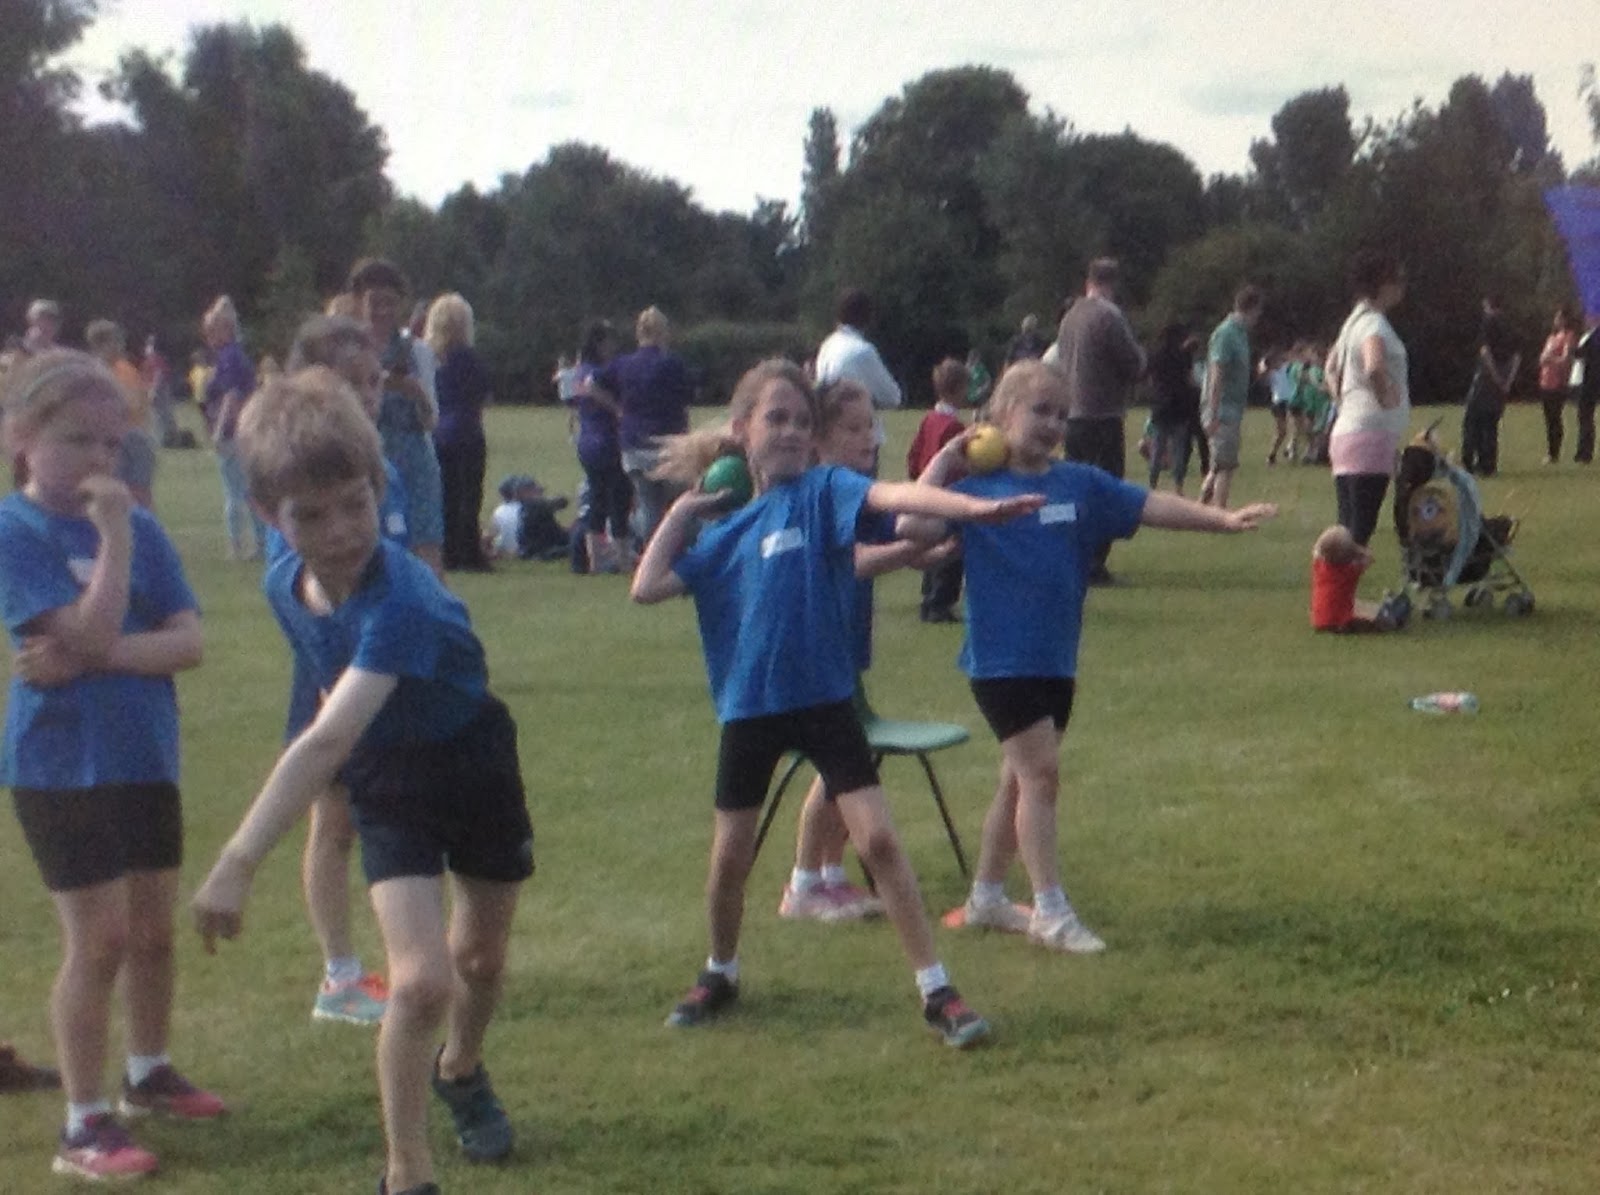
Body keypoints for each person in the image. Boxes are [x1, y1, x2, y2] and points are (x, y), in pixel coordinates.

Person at [631, 358, 1045, 1046]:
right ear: (742, 429)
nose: (792, 432)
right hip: (750, 710)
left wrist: (970, 505)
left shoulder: (824, 490)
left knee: (879, 840)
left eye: (802, 421)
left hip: (825, 702)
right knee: (730, 858)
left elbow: (893, 498)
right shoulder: (727, 533)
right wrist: (682, 512)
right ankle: (719, 970)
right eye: (777, 419)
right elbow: (646, 586)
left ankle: (937, 989)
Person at [192, 368, 534, 1195]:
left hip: (474, 760)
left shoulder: (404, 598)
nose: (342, 531)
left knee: (480, 959)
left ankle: (461, 1068)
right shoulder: (284, 583)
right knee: (420, 981)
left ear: (379, 485)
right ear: (269, 513)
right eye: (311, 515)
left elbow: (325, 739)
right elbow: (332, 701)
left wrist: (237, 860)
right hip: (389, 773)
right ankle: (406, 1172)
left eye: (355, 503)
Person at [909, 361, 1276, 953]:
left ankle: (987, 897)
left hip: (1056, 660)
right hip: (1001, 664)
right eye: (1040, 411)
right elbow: (912, 521)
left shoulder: (1078, 483)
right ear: (1002, 415)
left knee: (1018, 781)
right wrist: (946, 460)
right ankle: (1051, 911)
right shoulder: (974, 492)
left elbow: (1150, 505)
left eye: (1062, 414)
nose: (1053, 424)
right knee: (1040, 775)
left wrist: (1222, 519)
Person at [0, 350, 223, 1182]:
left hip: (143, 752)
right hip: (61, 763)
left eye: (110, 443)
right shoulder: (16, 530)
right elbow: (90, 628)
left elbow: (188, 641)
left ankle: (149, 1071)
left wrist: (97, 654)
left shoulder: (143, 527)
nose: (98, 459)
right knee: (100, 940)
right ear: (23, 439)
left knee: (154, 934)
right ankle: (83, 1123)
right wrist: (117, 536)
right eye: (76, 440)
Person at [280, 314, 419, 1027]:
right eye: (350, 382)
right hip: (337, 679)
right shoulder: (302, 489)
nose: (367, 395)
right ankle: (339, 972)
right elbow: (304, 593)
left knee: (392, 819)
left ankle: (411, 956)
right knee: (334, 822)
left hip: (389, 670)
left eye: (373, 381)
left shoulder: (381, 468)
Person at [778, 378, 934, 922]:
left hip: (843, 650)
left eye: (871, 425)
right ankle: (803, 884)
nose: (869, 437)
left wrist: (932, 541)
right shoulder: (822, 493)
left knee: (847, 768)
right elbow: (860, 561)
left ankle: (829, 874)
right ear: (818, 439)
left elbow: (901, 538)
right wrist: (913, 547)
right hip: (815, 654)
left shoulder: (858, 491)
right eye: (853, 428)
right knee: (838, 768)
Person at [1052, 258, 1147, 583]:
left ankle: (1072, 553)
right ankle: (1094, 562)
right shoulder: (1109, 316)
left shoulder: (1069, 317)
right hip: (1102, 414)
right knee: (1106, 489)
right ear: (1112, 284)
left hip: (1071, 416)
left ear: (1087, 281)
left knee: (1072, 489)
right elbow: (1133, 363)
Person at [349, 257, 445, 575]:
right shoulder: (347, 353)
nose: (383, 311)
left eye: (390, 303)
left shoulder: (416, 351)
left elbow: (431, 421)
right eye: (374, 302)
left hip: (414, 460)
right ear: (358, 303)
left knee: (426, 550)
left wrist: (415, 392)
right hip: (367, 459)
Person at [1325, 251, 1411, 546]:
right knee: (1359, 535)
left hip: (1346, 431)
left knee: (1347, 531)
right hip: (1371, 435)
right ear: (1383, 284)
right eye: (1398, 281)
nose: (1402, 288)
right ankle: (1341, 579)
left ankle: (1334, 579)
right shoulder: (1374, 324)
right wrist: (1386, 396)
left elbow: (1330, 368)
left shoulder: (1351, 324)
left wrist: (1343, 401)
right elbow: (1374, 365)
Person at [591, 306, 693, 551]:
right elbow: (687, 396)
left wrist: (617, 408)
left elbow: (591, 383)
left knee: (648, 505)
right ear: (663, 332)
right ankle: (679, 555)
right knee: (678, 505)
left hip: (634, 443)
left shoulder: (623, 364)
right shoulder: (671, 363)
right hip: (668, 444)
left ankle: (651, 555)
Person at [427, 293, 494, 572]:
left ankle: (448, 550)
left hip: (438, 431)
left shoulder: (430, 357)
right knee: (469, 496)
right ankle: (469, 552)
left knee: (446, 495)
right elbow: (484, 395)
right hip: (467, 430)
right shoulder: (469, 358)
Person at [201, 296, 265, 559]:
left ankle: (237, 545)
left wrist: (219, 429)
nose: (208, 338)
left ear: (225, 329)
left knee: (235, 492)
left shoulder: (228, 357)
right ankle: (259, 542)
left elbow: (231, 395)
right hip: (244, 428)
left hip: (233, 432)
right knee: (248, 490)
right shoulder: (235, 355)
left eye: (211, 331)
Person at [906, 358, 969, 623]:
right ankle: (940, 603)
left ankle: (928, 598)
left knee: (930, 545)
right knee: (951, 549)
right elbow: (958, 465)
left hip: (927, 492)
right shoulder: (954, 427)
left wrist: (917, 477)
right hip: (947, 495)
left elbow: (914, 454)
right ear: (959, 389)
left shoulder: (929, 419)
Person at [814, 288, 904, 469]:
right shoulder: (863, 351)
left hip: (830, 436)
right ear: (868, 317)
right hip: (860, 437)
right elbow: (893, 397)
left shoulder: (827, 346)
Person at [571, 321, 630, 573]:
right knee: (619, 500)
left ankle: (594, 560)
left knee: (596, 500)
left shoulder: (579, 371)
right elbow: (594, 389)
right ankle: (623, 560)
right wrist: (618, 409)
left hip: (586, 442)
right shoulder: (599, 372)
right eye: (609, 341)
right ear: (598, 343)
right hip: (607, 441)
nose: (613, 346)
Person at [1200, 285, 1264, 510]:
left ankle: (1201, 506)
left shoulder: (1241, 335)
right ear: (1251, 308)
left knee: (1218, 464)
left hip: (1233, 409)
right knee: (1226, 466)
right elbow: (1217, 374)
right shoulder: (1226, 333)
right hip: (1222, 410)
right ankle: (1219, 512)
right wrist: (1213, 412)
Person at [85, 320, 157, 508]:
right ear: (100, 345)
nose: (120, 346)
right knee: (115, 490)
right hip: (111, 440)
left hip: (136, 436)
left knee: (142, 491)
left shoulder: (126, 369)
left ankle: (145, 523)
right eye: (115, 341)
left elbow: (140, 402)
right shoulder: (92, 373)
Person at [1460, 294, 1520, 477]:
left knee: (1472, 420)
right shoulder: (1510, 325)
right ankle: (1488, 465)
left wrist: (1494, 375)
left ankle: (1468, 462)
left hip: (1487, 377)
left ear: (1488, 305)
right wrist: (1507, 381)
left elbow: (1485, 351)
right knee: (1491, 423)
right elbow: (1517, 356)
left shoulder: (1489, 321)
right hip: (1505, 376)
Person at [1310, 525, 1404, 633]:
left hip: (1319, 617)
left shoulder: (1318, 566)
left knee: (1357, 604)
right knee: (1383, 618)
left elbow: (1316, 552)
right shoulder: (1349, 571)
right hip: (1339, 620)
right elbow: (1369, 558)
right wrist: (1357, 549)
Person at [1145, 323, 1199, 495]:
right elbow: (1190, 379)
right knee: (1178, 450)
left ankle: (1152, 484)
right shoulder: (1184, 356)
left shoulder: (1155, 355)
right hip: (1180, 406)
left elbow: (1149, 379)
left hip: (1160, 406)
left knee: (1157, 448)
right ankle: (1178, 487)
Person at [1537, 308, 1577, 465]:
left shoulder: (1568, 337)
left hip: (1558, 382)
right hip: (1545, 381)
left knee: (1555, 417)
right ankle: (1550, 450)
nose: (1556, 320)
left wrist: (1550, 359)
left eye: (1559, 317)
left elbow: (1566, 360)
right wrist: (1544, 359)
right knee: (1548, 418)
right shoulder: (1551, 337)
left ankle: (1554, 452)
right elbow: (1542, 357)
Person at [1576, 316, 1600, 464]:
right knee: (1584, 417)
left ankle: (1585, 452)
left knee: (1585, 416)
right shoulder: (1590, 335)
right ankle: (1583, 450)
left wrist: (1574, 350)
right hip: (1589, 380)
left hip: (1591, 381)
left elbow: (1584, 354)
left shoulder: (1594, 337)